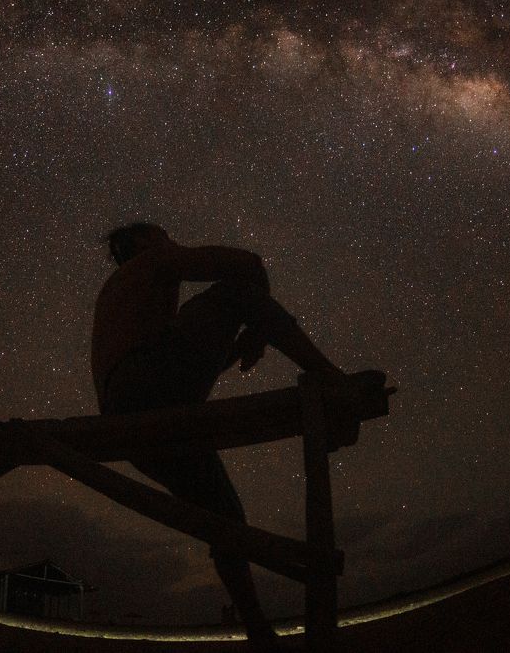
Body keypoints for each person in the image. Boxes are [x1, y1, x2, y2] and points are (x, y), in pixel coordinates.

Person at [91, 222, 365, 651]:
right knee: (237, 292)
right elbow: (246, 265)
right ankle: (331, 378)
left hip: (128, 413)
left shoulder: (123, 292)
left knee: (225, 519)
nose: (171, 241)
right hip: (146, 386)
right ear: (144, 243)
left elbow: (174, 367)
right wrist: (256, 332)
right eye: (163, 234)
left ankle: (257, 629)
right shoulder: (154, 261)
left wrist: (231, 350)